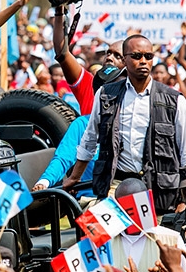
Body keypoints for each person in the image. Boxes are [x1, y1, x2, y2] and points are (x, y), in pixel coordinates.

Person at [62, 34, 186, 214]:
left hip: (159, 192)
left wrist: (183, 200)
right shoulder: (105, 95)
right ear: (125, 60)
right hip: (116, 187)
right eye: (136, 56)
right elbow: (89, 140)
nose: (143, 61)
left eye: (148, 57)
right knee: (104, 237)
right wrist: (74, 177)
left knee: (153, 241)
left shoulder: (174, 100)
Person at [32, 63, 125, 192]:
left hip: (130, 194)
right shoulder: (82, 124)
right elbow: (63, 158)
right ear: (102, 95)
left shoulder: (135, 121)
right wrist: (44, 182)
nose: (125, 92)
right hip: (93, 197)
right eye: (119, 87)